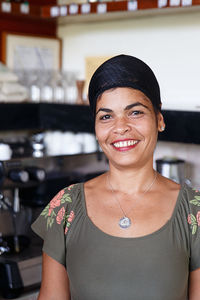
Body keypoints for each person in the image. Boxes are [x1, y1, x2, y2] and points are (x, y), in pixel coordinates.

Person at [32, 54, 200, 300]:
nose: (120, 127)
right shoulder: (65, 207)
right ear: (96, 128)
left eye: (135, 112)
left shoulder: (194, 212)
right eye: (106, 116)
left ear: (159, 119)